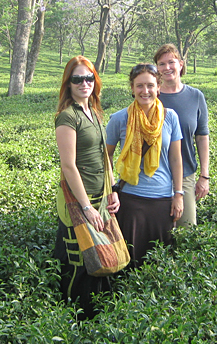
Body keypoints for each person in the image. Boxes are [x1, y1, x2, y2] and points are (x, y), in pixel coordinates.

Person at [53, 56, 119, 320]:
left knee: (101, 256)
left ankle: (99, 316)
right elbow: (68, 166)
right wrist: (86, 207)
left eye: (89, 77)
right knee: (79, 261)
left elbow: (105, 156)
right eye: (77, 79)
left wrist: (112, 190)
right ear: (68, 84)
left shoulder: (94, 112)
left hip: (100, 196)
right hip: (79, 200)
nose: (84, 83)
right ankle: (74, 318)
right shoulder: (67, 117)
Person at [106, 63, 183, 267]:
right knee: (129, 263)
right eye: (139, 86)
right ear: (132, 88)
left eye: (150, 85)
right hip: (130, 201)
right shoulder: (119, 119)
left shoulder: (170, 117)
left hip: (163, 201)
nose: (145, 91)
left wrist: (179, 195)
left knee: (159, 264)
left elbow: (176, 159)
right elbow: (105, 158)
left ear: (158, 87)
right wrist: (111, 189)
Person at [154, 44, 210, 228]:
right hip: (155, 175)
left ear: (181, 64)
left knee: (187, 229)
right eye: (161, 64)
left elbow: (202, 137)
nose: (167, 68)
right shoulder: (151, 96)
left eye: (171, 62)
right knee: (160, 234)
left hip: (186, 174)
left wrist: (204, 176)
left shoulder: (196, 96)